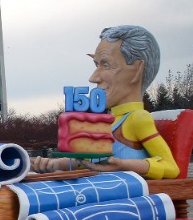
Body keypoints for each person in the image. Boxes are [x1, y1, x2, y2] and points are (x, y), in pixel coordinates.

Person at [31, 25, 179, 179]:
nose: (93, 78)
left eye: (106, 65)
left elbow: (171, 168)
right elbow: (90, 161)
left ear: (136, 70)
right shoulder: (107, 122)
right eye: (96, 65)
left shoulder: (138, 119)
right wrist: (54, 164)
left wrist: (123, 164)